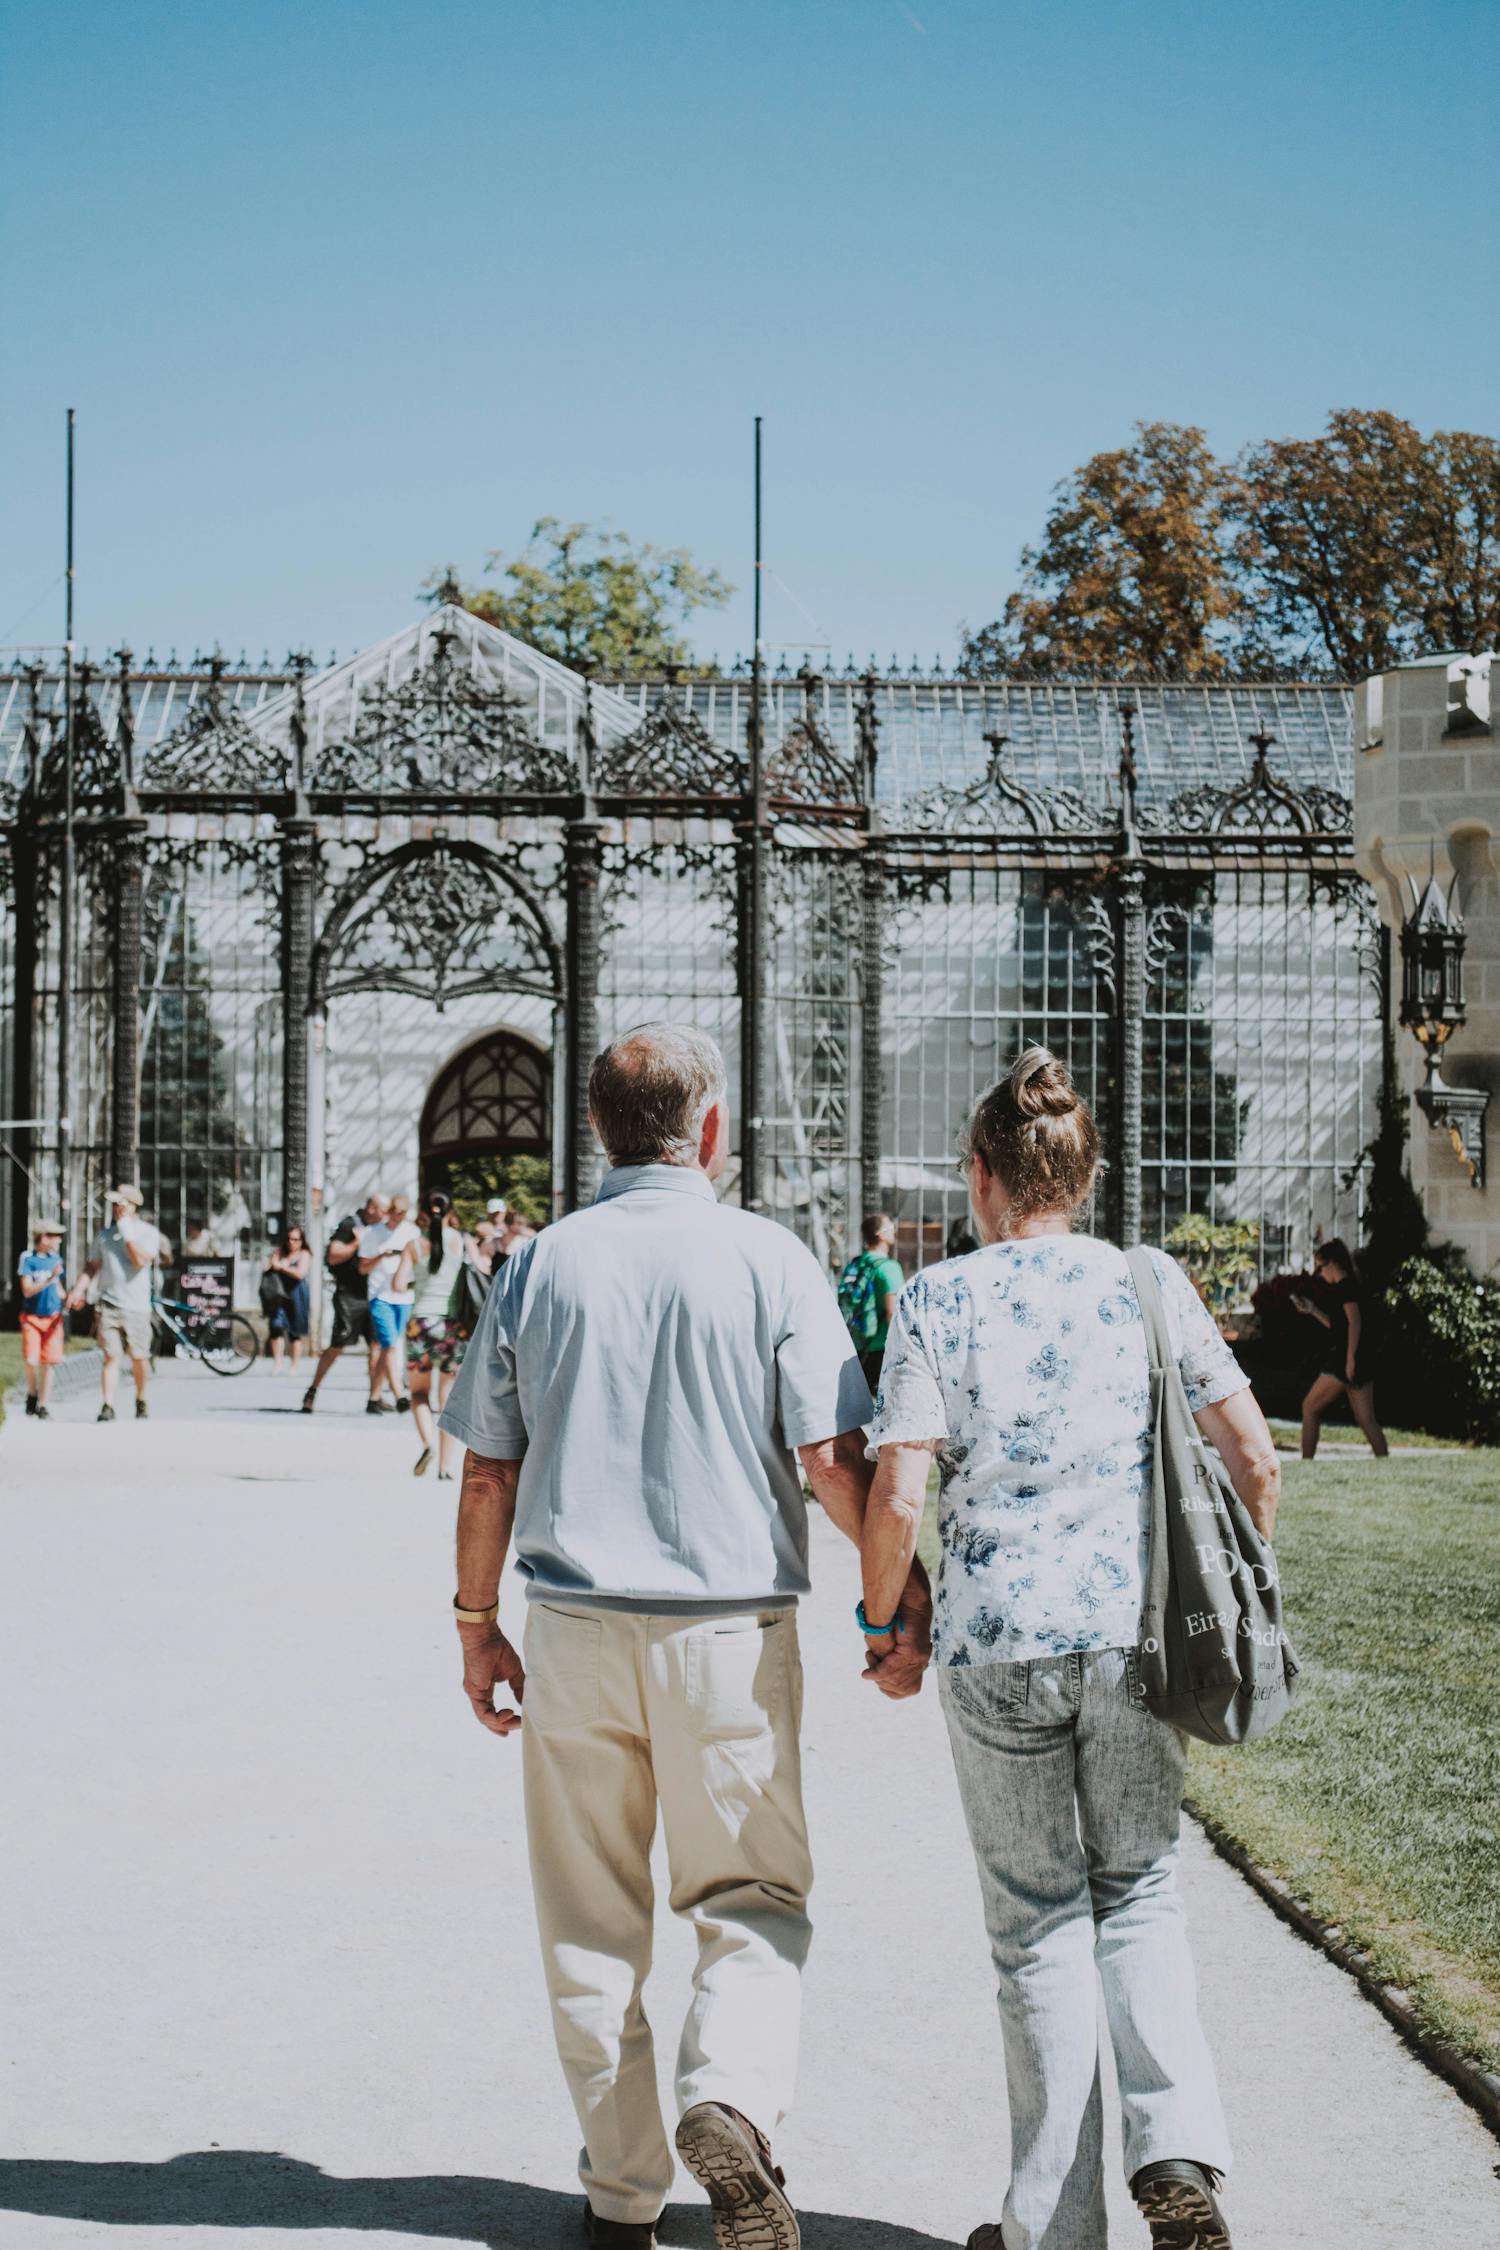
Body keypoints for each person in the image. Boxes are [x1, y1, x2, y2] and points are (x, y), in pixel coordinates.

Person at [439, 1022, 930, 2250]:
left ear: (600, 1129)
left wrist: (474, 1623)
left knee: (590, 1921)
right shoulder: (770, 1258)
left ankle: (619, 2194)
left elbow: (487, 1475)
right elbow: (829, 1457)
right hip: (726, 1631)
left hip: (573, 1629)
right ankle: (730, 2095)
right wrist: (891, 1599)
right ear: (708, 1129)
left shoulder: (537, 1266)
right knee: (751, 1894)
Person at [859, 1048, 1281, 2250]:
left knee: (1036, 1923)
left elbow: (896, 1496)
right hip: (1131, 1640)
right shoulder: (1148, 1282)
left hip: (996, 1645)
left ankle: (1052, 2228)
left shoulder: (941, 1297)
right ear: (1082, 1179)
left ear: (985, 1179)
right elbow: (1253, 1456)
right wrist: (1236, 1587)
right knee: (1141, 1889)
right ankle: (1179, 2151)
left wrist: (883, 1617)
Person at [67, 1185, 169, 1423]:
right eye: (113, 1204)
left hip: (137, 1307)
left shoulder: (147, 1233)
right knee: (110, 1356)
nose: (114, 1208)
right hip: (109, 1304)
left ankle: (141, 1398)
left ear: (132, 1206)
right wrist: (78, 1290)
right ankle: (107, 1405)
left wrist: (127, 1233)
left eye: (119, 1204)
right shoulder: (105, 1235)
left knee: (138, 1357)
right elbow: (92, 1266)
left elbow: (140, 1261)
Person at [1291, 1237, 1388, 1460]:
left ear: (1332, 1264)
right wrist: (1313, 1310)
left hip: (1344, 1361)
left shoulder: (1346, 1288)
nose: (1319, 1273)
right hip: (1356, 1359)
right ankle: (1384, 1461)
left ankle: (1307, 1461)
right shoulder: (1346, 1287)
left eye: (1320, 1267)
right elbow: (1339, 1327)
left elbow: (1355, 1322)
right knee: (1366, 1419)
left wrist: (1350, 1359)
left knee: (1309, 1407)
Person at [302, 1192, 387, 1412]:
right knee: (337, 1346)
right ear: (371, 1208)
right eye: (383, 1210)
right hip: (349, 1295)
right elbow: (333, 1256)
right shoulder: (350, 1225)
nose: (386, 1215)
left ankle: (374, 1398)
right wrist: (357, 1243)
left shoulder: (379, 1229)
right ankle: (312, 1390)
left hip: (373, 1294)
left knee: (377, 1346)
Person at [405, 1191, 468, 1479]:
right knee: (447, 1397)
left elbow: (397, 1282)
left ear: (424, 1212)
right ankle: (445, 1466)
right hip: (450, 1325)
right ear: (450, 1210)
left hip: (420, 1324)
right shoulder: (460, 1240)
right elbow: (481, 1269)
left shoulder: (414, 1245)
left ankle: (427, 1443)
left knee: (418, 1393)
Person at [359, 1192, 419, 1416]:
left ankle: (373, 1398)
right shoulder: (373, 1233)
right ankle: (399, 1395)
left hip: (404, 1297)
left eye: (402, 1215)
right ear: (388, 1212)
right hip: (379, 1295)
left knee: (389, 1347)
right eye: (395, 1214)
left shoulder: (411, 1232)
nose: (397, 1219)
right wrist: (382, 1256)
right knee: (389, 1344)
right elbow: (363, 1268)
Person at [835, 1211, 905, 1393]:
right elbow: (892, 1312)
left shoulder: (856, 1264)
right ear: (879, 1234)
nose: (894, 1230)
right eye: (890, 1227)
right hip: (880, 1348)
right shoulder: (889, 1268)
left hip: (853, 1345)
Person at [17, 1219, 67, 1420]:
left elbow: (59, 1289)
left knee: (49, 1362)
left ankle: (43, 1405)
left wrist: (71, 1299)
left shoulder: (56, 1259)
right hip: (32, 1317)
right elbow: (27, 1290)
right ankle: (32, 1392)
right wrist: (48, 1280)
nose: (59, 1240)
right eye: (55, 1236)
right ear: (44, 1237)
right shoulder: (28, 1258)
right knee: (31, 1359)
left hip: (53, 1316)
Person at [262, 1224, 313, 1370]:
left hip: (296, 1294)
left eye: (296, 1239)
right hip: (279, 1294)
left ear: (301, 1241)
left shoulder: (304, 1254)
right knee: (276, 1326)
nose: (292, 1242)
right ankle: (278, 1362)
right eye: (290, 1239)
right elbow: (266, 1268)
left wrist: (283, 1267)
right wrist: (273, 1264)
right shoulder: (279, 1252)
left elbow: (300, 1273)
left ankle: (294, 1364)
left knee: (295, 1330)